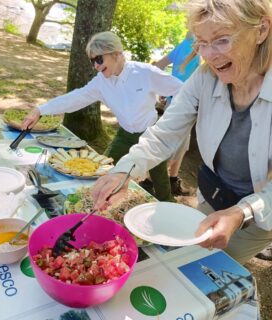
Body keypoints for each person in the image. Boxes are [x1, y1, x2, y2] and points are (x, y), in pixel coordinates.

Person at [92, 0, 272, 265]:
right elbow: (164, 134)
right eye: (201, 43)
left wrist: (241, 212)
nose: (209, 55)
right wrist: (124, 170)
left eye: (222, 40)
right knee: (188, 261)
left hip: (260, 214)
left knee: (213, 268)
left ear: (261, 30)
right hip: (213, 196)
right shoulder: (203, 78)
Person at [21, 31, 183, 201]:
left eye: (99, 59)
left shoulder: (145, 72)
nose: (96, 66)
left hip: (150, 136)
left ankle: (169, 211)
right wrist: (41, 109)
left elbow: (182, 90)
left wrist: (169, 120)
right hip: (125, 134)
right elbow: (75, 98)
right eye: (92, 61)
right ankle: (94, 203)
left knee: (161, 186)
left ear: (116, 53)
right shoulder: (101, 82)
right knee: (101, 169)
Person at [154, 32, 201, 196]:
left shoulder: (185, 44)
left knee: (181, 144)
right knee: (171, 142)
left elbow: (159, 65)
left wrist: (162, 87)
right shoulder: (198, 47)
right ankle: (150, 180)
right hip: (183, 103)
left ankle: (172, 180)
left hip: (176, 102)